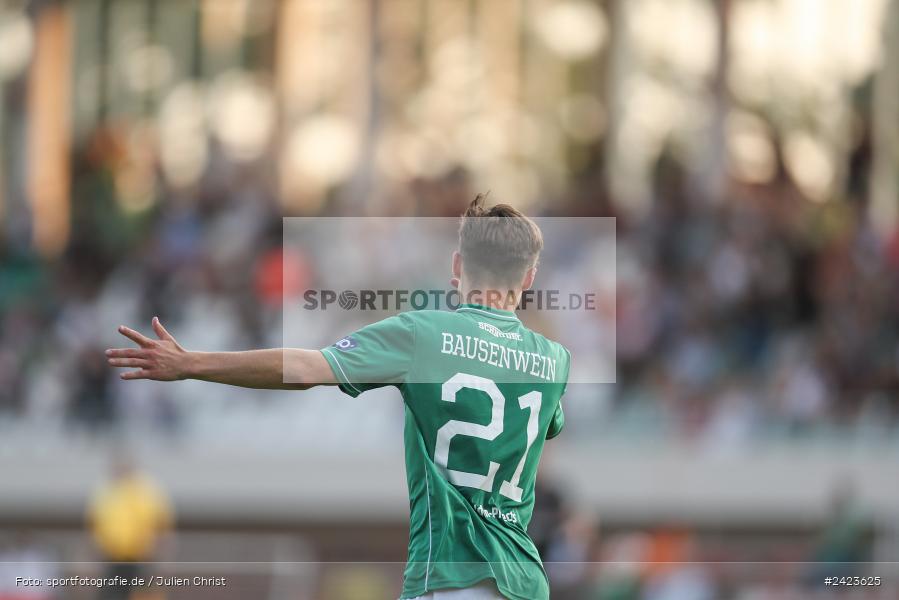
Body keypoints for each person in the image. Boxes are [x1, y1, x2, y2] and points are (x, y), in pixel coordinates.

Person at [106, 196, 571, 600]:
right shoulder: (555, 360)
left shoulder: (423, 333)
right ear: (528, 277)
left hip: (449, 576)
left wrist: (193, 364)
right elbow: (548, 428)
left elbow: (306, 369)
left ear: (456, 265)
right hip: (526, 582)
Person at [87, 455, 173, 600]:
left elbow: (161, 527)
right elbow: (95, 529)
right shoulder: (105, 493)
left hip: (142, 559)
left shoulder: (146, 491)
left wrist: (161, 556)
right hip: (112, 559)